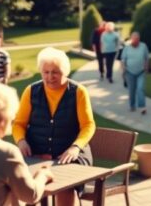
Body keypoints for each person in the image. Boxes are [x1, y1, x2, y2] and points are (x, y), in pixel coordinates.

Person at [13, 47, 95, 206]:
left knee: (65, 184)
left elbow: (88, 125)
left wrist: (76, 147)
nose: (50, 77)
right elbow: (18, 124)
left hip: (69, 153)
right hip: (36, 151)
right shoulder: (31, 91)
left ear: (66, 72)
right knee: (25, 180)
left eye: (55, 72)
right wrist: (21, 141)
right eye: (46, 72)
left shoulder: (79, 92)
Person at [121, 31, 150, 114]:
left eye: (137, 39)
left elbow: (147, 58)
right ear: (131, 39)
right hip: (129, 72)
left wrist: (146, 67)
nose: (135, 41)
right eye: (133, 39)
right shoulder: (127, 48)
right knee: (131, 90)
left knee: (140, 88)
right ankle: (132, 105)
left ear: (139, 39)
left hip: (141, 71)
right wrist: (123, 70)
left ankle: (142, 107)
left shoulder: (143, 46)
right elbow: (123, 60)